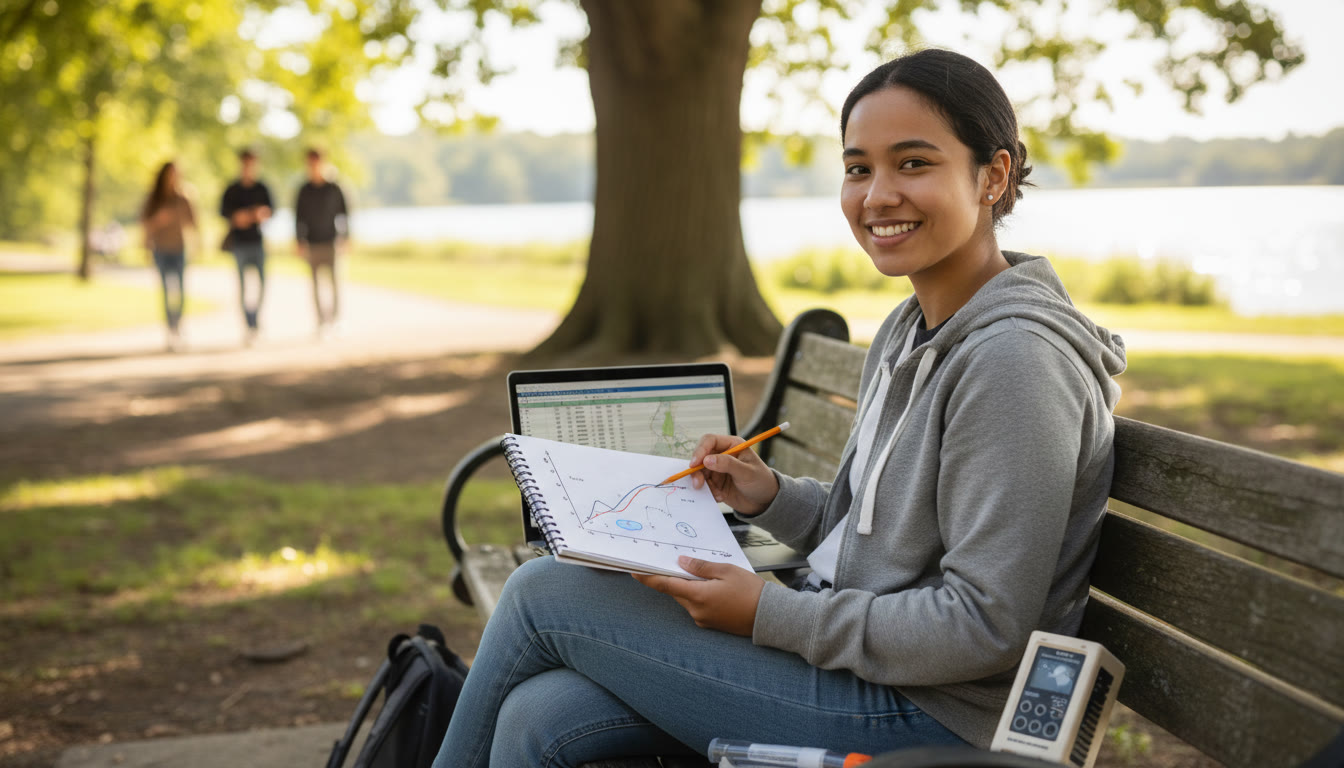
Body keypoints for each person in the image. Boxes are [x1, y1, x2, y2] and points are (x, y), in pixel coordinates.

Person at [431, 48, 1126, 767]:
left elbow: (984, 625)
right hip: (868, 672)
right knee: (539, 715)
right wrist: (770, 496)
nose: (877, 195)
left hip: (941, 715)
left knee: (545, 590)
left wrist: (767, 612)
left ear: (994, 176)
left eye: (913, 163)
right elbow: (874, 533)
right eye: (859, 168)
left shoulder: (1014, 363)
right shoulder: (912, 326)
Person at [140, 161, 198, 351]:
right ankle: (170, 329)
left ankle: (178, 326)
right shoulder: (155, 198)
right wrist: (159, 220)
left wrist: (198, 244)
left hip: (179, 249)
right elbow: (145, 223)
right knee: (166, 292)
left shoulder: (183, 197)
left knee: (180, 291)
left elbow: (193, 222)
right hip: (160, 250)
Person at [219, 148, 272, 344]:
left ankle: (255, 320)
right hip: (239, 244)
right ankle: (248, 325)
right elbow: (223, 212)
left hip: (257, 242)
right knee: (242, 287)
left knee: (261, 285)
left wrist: (261, 215)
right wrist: (238, 217)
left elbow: (270, 210)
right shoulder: (232, 189)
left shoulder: (262, 188)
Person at [294, 147, 349, 336]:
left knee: (334, 282)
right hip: (312, 243)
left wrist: (346, 236)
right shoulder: (304, 190)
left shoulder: (334, 187)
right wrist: (299, 241)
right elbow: (298, 217)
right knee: (315, 285)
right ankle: (320, 322)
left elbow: (345, 213)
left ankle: (335, 320)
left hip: (331, 241)